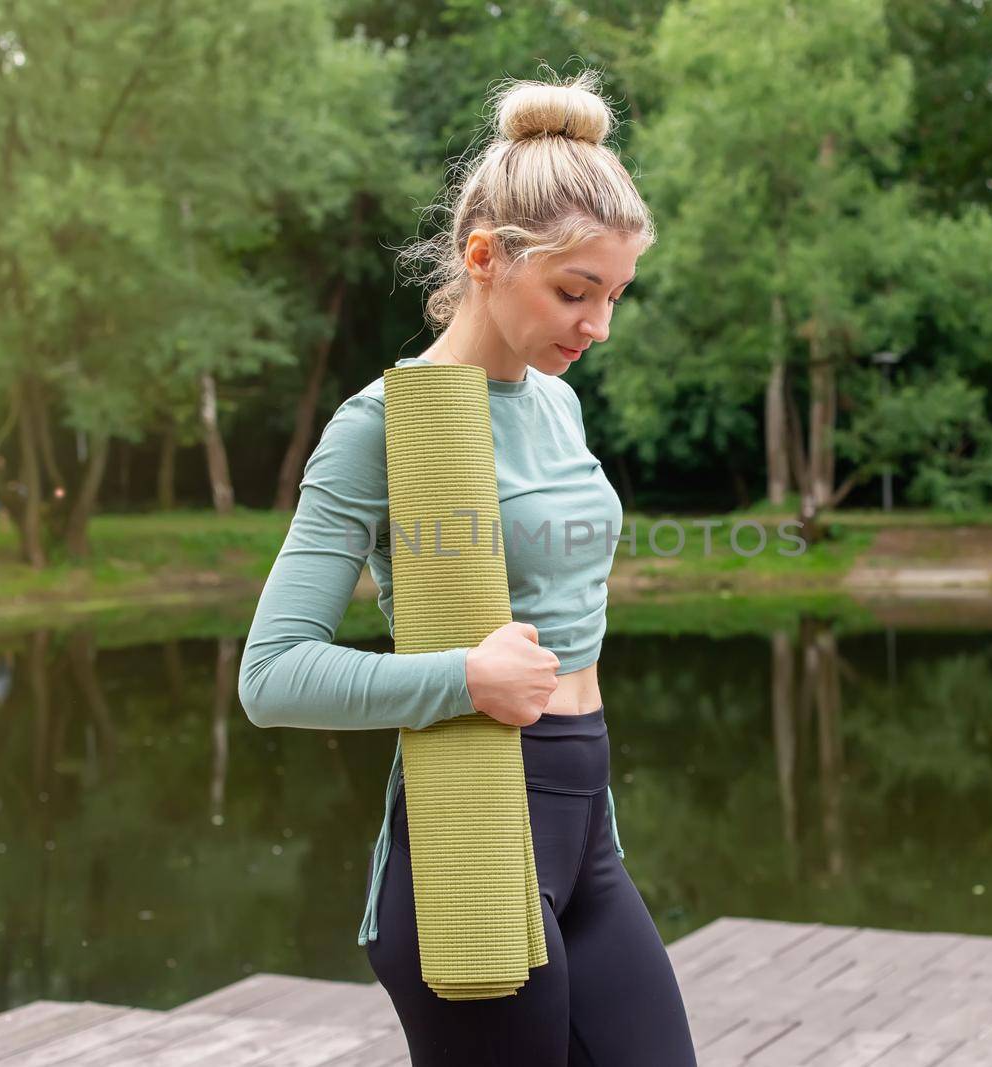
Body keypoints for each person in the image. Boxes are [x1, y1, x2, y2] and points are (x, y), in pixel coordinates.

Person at [237, 70, 696, 1065]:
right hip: (473, 841)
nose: (598, 324)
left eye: (614, 294)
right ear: (484, 257)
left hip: (587, 830)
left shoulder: (556, 402)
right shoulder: (384, 429)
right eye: (575, 291)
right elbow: (271, 674)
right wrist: (464, 678)